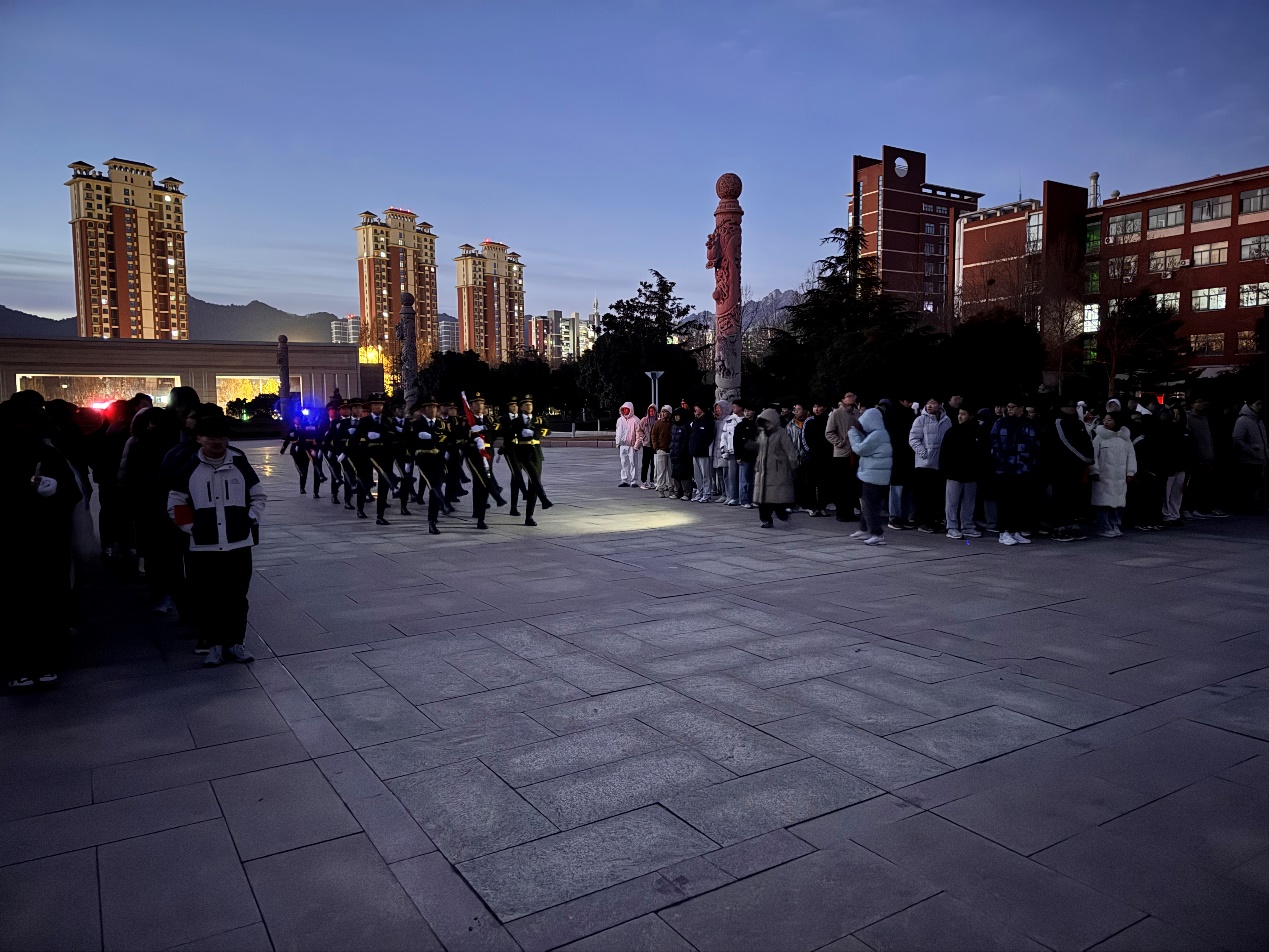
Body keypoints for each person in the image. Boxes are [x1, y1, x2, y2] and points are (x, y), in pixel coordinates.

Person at [167, 413, 265, 667]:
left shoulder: (239, 463)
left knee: (237, 597)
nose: (217, 442)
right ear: (199, 438)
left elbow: (258, 495)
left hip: (238, 544)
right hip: (204, 547)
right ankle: (214, 645)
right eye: (210, 436)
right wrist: (192, 528)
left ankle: (236, 643)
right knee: (207, 598)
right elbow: (176, 502)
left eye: (221, 436)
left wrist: (250, 519)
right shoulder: (188, 467)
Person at [1, 397, 81, 688]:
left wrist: (54, 490)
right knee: (34, 600)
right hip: (37, 538)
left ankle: (31, 662)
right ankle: (32, 662)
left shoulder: (47, 454)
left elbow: (71, 492)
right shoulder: (46, 452)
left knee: (31, 601)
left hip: (38, 538)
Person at [991, 399, 1040, 546]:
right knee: (1005, 500)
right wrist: (1002, 461)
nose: (1009, 409)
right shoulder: (1001, 423)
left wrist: (1031, 463)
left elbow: (1036, 445)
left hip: (1023, 468)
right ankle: (1003, 531)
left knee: (1019, 501)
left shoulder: (1029, 424)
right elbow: (994, 443)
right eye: (1008, 407)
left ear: (1021, 408)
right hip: (1005, 468)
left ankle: (1015, 530)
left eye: (1013, 407)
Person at [1048, 398, 1093, 542]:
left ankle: (1070, 523)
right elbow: (1065, 442)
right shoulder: (1058, 422)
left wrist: (1089, 457)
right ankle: (1059, 526)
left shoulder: (1078, 423)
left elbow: (1086, 440)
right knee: (1061, 496)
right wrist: (1083, 457)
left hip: (1077, 467)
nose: (1072, 408)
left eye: (1073, 406)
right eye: (1068, 406)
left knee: (1074, 496)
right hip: (1061, 466)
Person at [847, 407, 892, 545]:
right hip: (873, 474)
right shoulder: (877, 433)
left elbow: (860, 449)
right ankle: (864, 528)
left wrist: (853, 433)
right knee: (868, 503)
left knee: (869, 505)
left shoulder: (877, 435)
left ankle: (877, 533)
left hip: (874, 475)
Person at [1089, 412, 1137, 538]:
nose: (1106, 422)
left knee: (1117, 503)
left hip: (1119, 478)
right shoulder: (1099, 437)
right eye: (1105, 420)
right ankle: (1103, 527)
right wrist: (1094, 471)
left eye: (1109, 420)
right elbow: (1093, 455)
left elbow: (1131, 456)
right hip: (1103, 477)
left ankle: (1114, 525)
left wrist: (1130, 472)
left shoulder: (1125, 439)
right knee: (1104, 503)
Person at [908, 398, 951, 533]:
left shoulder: (947, 420)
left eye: (933, 403)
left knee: (936, 495)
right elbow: (913, 439)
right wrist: (924, 453)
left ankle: (934, 521)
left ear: (940, 405)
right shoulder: (920, 420)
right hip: (924, 464)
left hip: (940, 464)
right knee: (923, 495)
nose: (929, 405)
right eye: (928, 403)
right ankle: (923, 522)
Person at [939, 407, 983, 540]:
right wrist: (945, 470)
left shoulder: (977, 432)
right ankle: (951, 526)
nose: (960, 416)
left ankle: (967, 525)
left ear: (971, 416)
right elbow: (944, 452)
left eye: (963, 414)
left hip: (971, 472)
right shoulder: (952, 431)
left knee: (969, 501)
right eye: (959, 414)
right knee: (952, 501)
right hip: (954, 472)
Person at [409, 396, 448, 534]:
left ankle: (434, 518)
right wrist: (408, 460)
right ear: (424, 410)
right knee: (433, 486)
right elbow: (410, 442)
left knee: (436, 488)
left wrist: (431, 437)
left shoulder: (441, 424)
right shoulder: (416, 424)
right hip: (424, 459)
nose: (432, 410)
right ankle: (432, 520)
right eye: (429, 407)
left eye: (434, 407)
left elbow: (446, 438)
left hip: (438, 459)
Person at [753, 407, 798, 527]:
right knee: (762, 498)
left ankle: (781, 514)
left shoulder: (781, 433)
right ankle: (766, 519)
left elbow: (790, 450)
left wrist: (793, 465)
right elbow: (759, 448)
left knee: (776, 497)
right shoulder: (762, 433)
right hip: (762, 470)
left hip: (777, 470)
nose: (766, 424)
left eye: (767, 421)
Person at [1183, 398, 1227, 519]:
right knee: (1194, 485)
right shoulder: (1188, 418)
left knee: (1205, 485)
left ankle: (1201, 507)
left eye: (1204, 402)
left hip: (1207, 455)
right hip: (1196, 456)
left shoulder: (1206, 418)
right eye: (1199, 402)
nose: (1202, 405)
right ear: (1193, 404)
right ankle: (1190, 508)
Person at [512, 393, 551, 526]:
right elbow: (510, 433)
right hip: (523, 454)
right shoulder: (516, 421)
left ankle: (529, 516)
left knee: (534, 484)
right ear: (521, 407)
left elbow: (548, 430)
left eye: (531, 404)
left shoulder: (538, 420)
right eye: (526, 404)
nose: (529, 406)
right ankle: (544, 499)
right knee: (534, 477)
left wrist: (534, 432)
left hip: (536, 454)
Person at [825, 391, 860, 522]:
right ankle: (841, 513)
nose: (852, 398)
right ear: (843, 399)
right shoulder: (836, 413)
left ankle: (850, 511)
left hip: (855, 452)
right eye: (849, 396)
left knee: (852, 484)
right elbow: (829, 433)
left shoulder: (856, 413)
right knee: (841, 485)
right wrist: (840, 443)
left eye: (853, 396)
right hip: (841, 454)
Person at [884, 397, 917, 530]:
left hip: (906, 455)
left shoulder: (911, 415)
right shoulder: (895, 415)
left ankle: (902, 516)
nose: (910, 403)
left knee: (905, 487)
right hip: (898, 454)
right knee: (897, 487)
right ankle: (895, 517)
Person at [1159, 403, 1191, 528]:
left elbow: (1189, 449)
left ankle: (1174, 514)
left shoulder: (1186, 431)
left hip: (1181, 465)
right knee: (1167, 492)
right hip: (1169, 465)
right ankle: (1166, 515)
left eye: (1178, 413)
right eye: (1174, 413)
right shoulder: (1166, 429)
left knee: (1177, 492)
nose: (1176, 416)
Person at [1231, 398, 1267, 512]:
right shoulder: (1243, 420)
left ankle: (1251, 505)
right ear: (1250, 405)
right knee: (1247, 484)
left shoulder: (1258, 420)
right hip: (1248, 459)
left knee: (1255, 483)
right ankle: (1245, 506)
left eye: (1261, 404)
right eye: (1257, 404)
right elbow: (1237, 439)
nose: (1260, 407)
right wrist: (1251, 451)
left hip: (1259, 457)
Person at [499, 395, 528, 516]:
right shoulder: (503, 419)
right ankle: (525, 492)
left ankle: (514, 508)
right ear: (508, 407)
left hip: (520, 449)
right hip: (509, 449)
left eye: (516, 405)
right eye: (512, 405)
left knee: (515, 478)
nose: (515, 407)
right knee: (516, 472)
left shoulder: (522, 418)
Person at [803, 400, 832, 517]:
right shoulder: (809, 421)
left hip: (825, 456)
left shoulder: (829, 420)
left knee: (824, 482)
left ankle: (822, 506)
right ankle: (812, 507)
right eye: (814, 406)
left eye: (818, 406)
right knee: (811, 482)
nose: (816, 409)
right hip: (811, 456)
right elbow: (803, 438)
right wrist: (809, 451)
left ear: (824, 408)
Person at [280, 413, 314, 495]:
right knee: (299, 467)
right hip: (295, 451)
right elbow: (287, 440)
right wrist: (282, 450)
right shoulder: (291, 429)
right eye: (296, 418)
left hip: (305, 450)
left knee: (305, 469)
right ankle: (302, 477)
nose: (298, 420)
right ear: (294, 420)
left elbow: (311, 436)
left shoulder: (305, 427)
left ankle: (302, 487)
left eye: (299, 418)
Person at [688, 402, 716, 502]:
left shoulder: (708, 421)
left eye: (697, 407)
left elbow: (709, 437)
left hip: (704, 452)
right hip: (694, 452)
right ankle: (699, 492)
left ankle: (706, 494)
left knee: (705, 474)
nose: (695, 409)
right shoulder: (695, 421)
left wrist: (703, 446)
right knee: (697, 475)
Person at [734, 403, 758, 509]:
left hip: (755, 456)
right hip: (744, 456)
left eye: (749, 410)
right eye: (745, 411)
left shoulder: (757, 425)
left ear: (753, 411)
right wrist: (738, 456)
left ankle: (752, 499)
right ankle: (744, 500)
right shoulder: (740, 426)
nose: (747, 413)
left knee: (753, 480)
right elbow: (736, 442)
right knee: (743, 480)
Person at [721, 399, 743, 506]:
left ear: (741, 407)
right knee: (732, 476)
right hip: (731, 451)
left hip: (743, 451)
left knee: (743, 476)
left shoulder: (745, 420)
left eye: (735, 406)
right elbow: (724, 436)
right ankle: (733, 496)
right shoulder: (729, 420)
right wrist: (723, 450)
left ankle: (743, 497)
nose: (733, 408)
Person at [669, 407, 693, 500]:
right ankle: (678, 492)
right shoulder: (674, 426)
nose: (676, 418)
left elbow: (686, 442)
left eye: (678, 416)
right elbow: (671, 440)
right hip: (674, 454)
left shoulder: (686, 427)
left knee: (684, 474)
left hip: (683, 455)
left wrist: (682, 452)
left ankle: (687, 492)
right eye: (675, 416)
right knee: (675, 474)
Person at [615, 401, 640, 487]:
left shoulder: (636, 420)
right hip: (622, 445)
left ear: (631, 410)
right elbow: (617, 431)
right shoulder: (620, 420)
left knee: (633, 463)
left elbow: (639, 434)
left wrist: (637, 445)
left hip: (632, 445)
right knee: (623, 462)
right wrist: (617, 442)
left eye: (627, 409)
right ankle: (624, 480)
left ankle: (634, 481)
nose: (625, 411)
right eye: (624, 409)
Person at [650, 406, 673, 497]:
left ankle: (671, 488)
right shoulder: (658, 423)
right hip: (661, 450)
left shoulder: (672, 423)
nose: (663, 413)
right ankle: (661, 488)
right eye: (662, 411)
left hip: (671, 450)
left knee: (671, 472)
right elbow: (654, 435)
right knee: (660, 471)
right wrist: (656, 447)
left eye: (665, 411)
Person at [637, 404, 657, 489]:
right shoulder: (644, 420)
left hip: (654, 445)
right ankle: (644, 481)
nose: (651, 412)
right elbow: (639, 430)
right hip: (646, 445)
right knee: (645, 464)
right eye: (650, 411)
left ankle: (652, 481)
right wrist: (643, 437)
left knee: (654, 464)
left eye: (653, 411)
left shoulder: (657, 420)